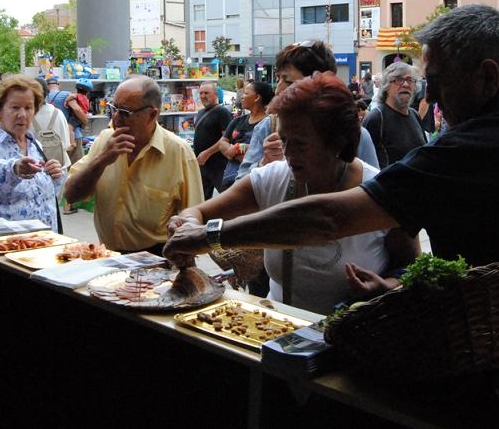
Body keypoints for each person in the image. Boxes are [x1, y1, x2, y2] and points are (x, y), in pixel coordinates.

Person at [165, 5, 499, 404]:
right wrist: (400, 288)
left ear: (487, 76)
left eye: (436, 80)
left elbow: (331, 216)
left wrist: (213, 235)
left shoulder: (477, 148)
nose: (429, 95)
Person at [168, 72, 419, 314]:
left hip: (349, 341)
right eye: (284, 140)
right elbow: (199, 211)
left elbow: (412, 271)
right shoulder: (273, 178)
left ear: (338, 141)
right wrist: (187, 224)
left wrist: (386, 287)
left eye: (300, 143)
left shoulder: (379, 194)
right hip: (277, 330)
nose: (288, 153)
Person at [64, 75, 202, 254]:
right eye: (113, 109)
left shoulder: (179, 153)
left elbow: (194, 224)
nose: (116, 118)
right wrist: (102, 159)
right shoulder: (106, 140)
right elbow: (71, 195)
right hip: (107, 256)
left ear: (152, 115)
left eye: (125, 112)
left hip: (157, 261)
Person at [236, 40, 378, 180]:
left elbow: (373, 191)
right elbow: (240, 187)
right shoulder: (268, 127)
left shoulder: (356, 135)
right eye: (278, 79)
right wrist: (264, 163)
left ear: (322, 84)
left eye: (289, 82)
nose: (278, 90)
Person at [0, 74, 64, 231]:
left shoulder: (35, 145)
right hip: (2, 245)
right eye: (15, 107)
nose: (22, 114)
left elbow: (44, 193)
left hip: (42, 244)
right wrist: (14, 168)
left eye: (28, 108)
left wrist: (56, 175)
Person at [362, 62, 426, 168]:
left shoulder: (415, 115)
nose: (405, 84)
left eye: (410, 80)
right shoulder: (376, 119)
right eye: (399, 80)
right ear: (386, 86)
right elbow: (365, 166)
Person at [218, 81, 273, 191]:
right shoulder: (237, 121)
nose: (242, 97)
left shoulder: (269, 124)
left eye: (246, 94)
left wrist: (238, 148)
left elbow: (265, 153)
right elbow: (222, 143)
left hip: (253, 185)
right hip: (229, 182)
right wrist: (233, 150)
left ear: (257, 97)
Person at [193, 81, 232, 200]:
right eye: (201, 93)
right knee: (202, 199)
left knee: (228, 198)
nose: (203, 96)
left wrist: (207, 153)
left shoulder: (222, 112)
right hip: (203, 165)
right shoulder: (200, 112)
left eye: (206, 93)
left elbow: (227, 138)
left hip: (218, 165)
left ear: (215, 94)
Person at [45, 76, 86, 163]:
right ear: (59, 85)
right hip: (73, 137)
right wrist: (85, 121)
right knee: (76, 168)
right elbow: (77, 109)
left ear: (46, 86)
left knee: (60, 167)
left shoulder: (43, 98)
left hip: (54, 139)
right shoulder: (66, 94)